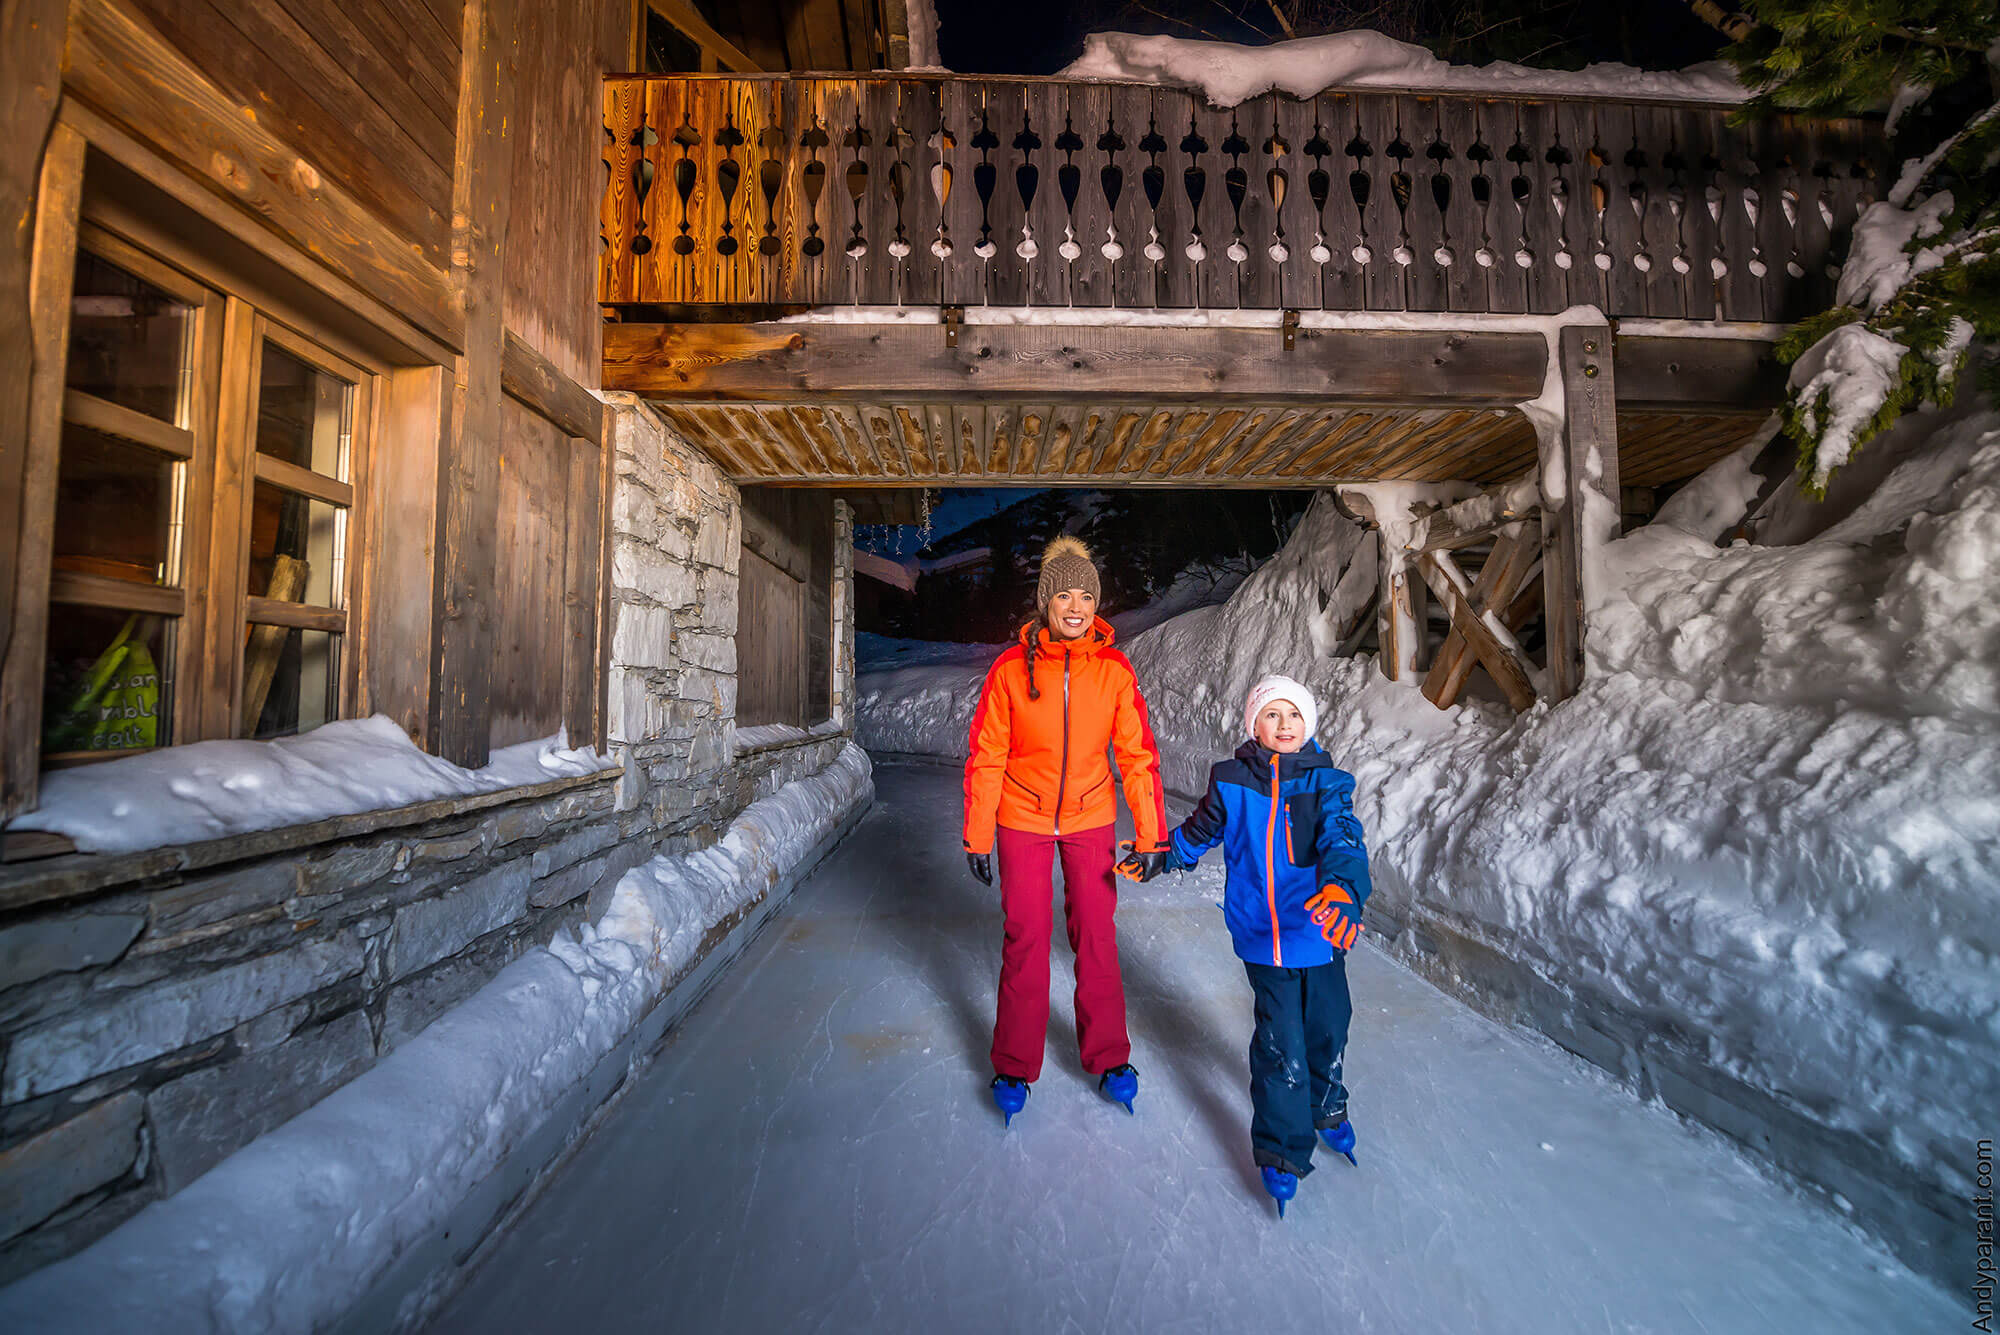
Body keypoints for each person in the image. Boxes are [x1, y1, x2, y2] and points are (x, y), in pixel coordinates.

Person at [1123, 674, 1370, 1217]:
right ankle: (1282, 1149)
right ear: (1253, 725)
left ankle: (1326, 1102)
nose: (1284, 726)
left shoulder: (1327, 782)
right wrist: (1166, 855)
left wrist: (1344, 889)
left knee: (1329, 1025)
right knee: (1281, 1043)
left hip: (1321, 932)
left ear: (1309, 725)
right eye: (1272, 716)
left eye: (1294, 716)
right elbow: (1202, 829)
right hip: (1262, 936)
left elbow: (1343, 839)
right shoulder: (1230, 780)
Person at [963, 536, 1172, 1125]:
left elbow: (1137, 756)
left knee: (1097, 936)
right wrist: (979, 835)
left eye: (1086, 594)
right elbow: (987, 756)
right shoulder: (1009, 670)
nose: (1076, 606)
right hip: (1022, 819)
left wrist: (1153, 836)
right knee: (1025, 937)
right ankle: (1013, 1062)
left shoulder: (1113, 670)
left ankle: (1108, 1056)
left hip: (1090, 817)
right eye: (1065, 595)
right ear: (1045, 603)